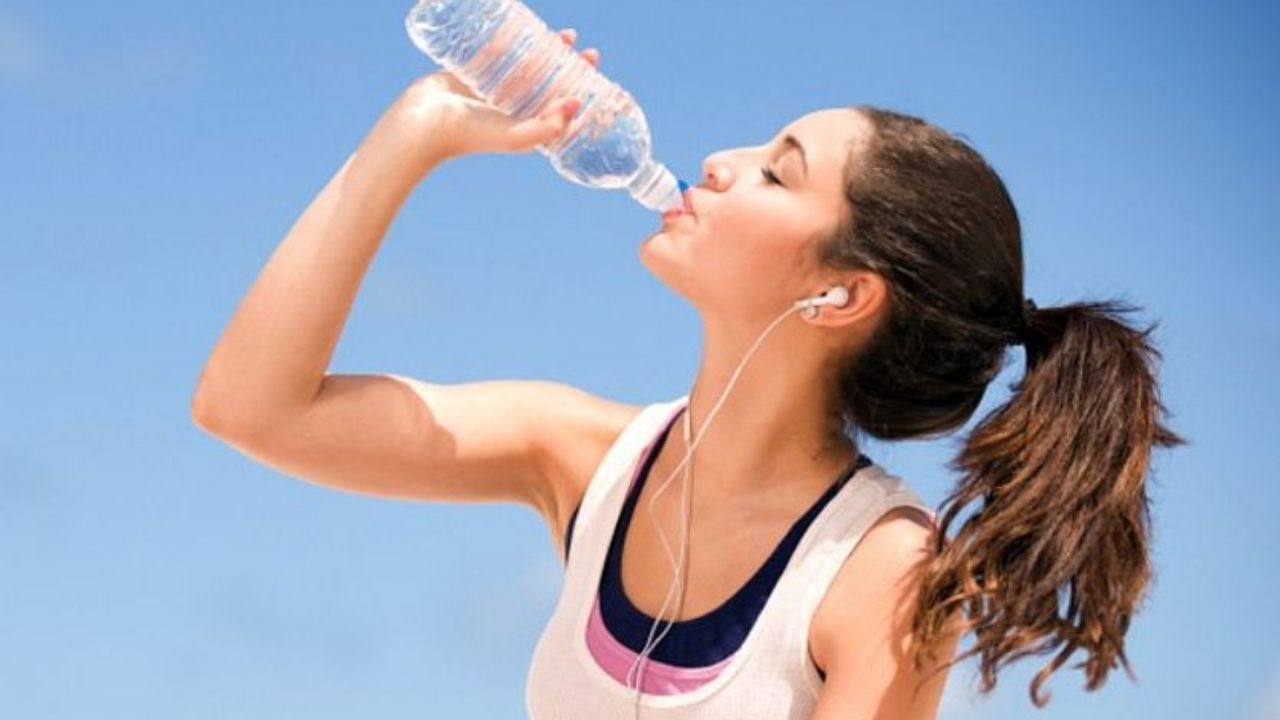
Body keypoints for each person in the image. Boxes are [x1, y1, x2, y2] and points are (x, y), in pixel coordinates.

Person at [191, 27, 1185, 719]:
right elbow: (250, 407)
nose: (718, 159)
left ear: (839, 295)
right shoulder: (576, 455)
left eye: (775, 170)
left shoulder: (875, 574)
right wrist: (413, 132)